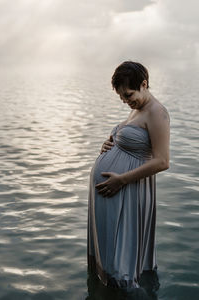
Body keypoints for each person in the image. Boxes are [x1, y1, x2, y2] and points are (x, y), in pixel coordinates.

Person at [87, 61, 170, 292]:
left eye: (128, 94)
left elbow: (162, 161)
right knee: (110, 257)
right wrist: (110, 143)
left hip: (127, 189)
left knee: (122, 265)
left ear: (144, 84)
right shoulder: (137, 109)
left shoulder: (158, 113)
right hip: (115, 189)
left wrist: (121, 180)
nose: (125, 100)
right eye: (122, 97)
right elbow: (130, 142)